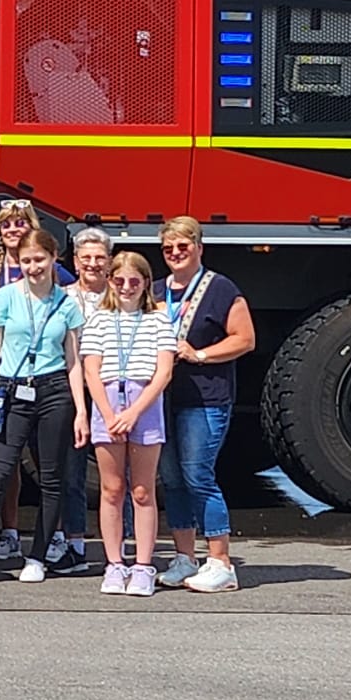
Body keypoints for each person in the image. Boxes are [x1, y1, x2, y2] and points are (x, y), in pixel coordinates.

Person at [0, 229, 88, 589]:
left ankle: (37, 556)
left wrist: (81, 411)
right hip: (13, 390)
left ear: (53, 260)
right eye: (26, 261)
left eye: (40, 260)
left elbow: (73, 361)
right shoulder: (5, 296)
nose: (33, 267)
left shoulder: (67, 304)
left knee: (51, 477)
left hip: (53, 391)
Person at [155, 217, 256, 592]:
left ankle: (221, 562)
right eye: (169, 248)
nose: (176, 253)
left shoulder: (221, 289)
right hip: (164, 400)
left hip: (206, 398)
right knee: (173, 480)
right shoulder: (155, 290)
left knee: (199, 475)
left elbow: (244, 339)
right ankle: (185, 558)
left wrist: (199, 354)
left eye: (183, 246)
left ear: (199, 247)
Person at [82, 251, 177, 596]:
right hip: (108, 401)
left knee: (142, 489)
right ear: (110, 282)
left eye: (134, 281)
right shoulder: (98, 320)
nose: (126, 287)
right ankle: (114, 563)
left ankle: (143, 565)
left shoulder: (157, 320)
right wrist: (107, 414)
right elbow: (91, 370)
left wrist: (134, 411)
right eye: (119, 280)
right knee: (111, 489)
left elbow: (164, 371)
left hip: (143, 404)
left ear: (145, 284)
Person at [55, 226, 116, 571]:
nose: (93, 264)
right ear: (75, 262)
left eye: (100, 257)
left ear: (109, 261)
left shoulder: (121, 296)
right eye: (86, 258)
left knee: (116, 474)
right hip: (71, 390)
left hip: (111, 393)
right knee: (71, 471)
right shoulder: (62, 297)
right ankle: (74, 543)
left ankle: (119, 548)